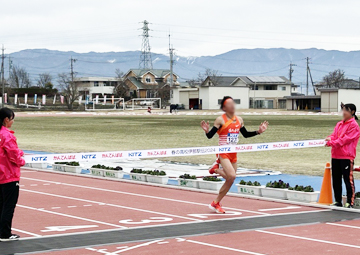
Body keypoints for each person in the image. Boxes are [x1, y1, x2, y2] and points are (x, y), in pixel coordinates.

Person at [200, 96, 268, 213]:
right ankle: (215, 169)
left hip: (233, 153)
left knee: (230, 179)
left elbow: (245, 134)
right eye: (229, 103)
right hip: (223, 152)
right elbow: (210, 136)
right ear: (224, 107)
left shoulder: (239, 120)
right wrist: (206, 131)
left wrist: (258, 132)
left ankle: (215, 202)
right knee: (231, 176)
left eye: (233, 103)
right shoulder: (220, 120)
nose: (232, 105)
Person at [326, 103, 360, 208]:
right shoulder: (339, 124)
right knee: (336, 179)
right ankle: (338, 200)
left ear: (352, 112)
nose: (344, 113)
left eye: (346, 110)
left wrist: (331, 142)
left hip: (346, 156)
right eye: (343, 110)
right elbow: (334, 136)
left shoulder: (354, 126)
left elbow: (344, 140)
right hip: (336, 155)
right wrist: (329, 138)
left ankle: (350, 201)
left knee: (347, 179)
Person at [0, 108, 25, 241]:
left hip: (1, 174)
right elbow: (13, 155)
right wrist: (22, 160)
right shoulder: (7, 135)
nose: (13, 121)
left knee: (2, 204)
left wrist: (19, 152)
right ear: (6, 120)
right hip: (9, 175)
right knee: (8, 205)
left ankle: (2, 231)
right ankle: (5, 233)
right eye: (12, 119)